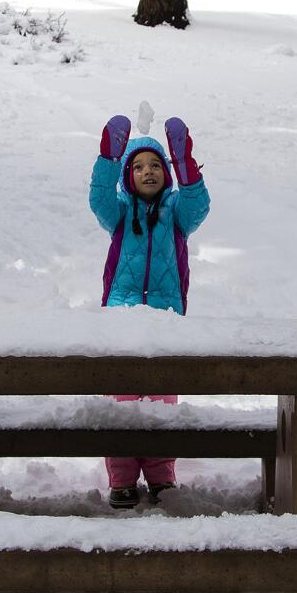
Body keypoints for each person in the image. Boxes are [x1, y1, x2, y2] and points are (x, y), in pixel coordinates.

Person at [89, 115, 211, 509]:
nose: (148, 172)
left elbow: (198, 204)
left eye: (156, 165)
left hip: (164, 322)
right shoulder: (120, 215)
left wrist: (184, 162)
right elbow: (99, 197)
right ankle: (122, 479)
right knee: (122, 402)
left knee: (159, 403)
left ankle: (161, 477)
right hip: (122, 321)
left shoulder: (176, 214)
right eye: (139, 166)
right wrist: (108, 158)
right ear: (128, 176)